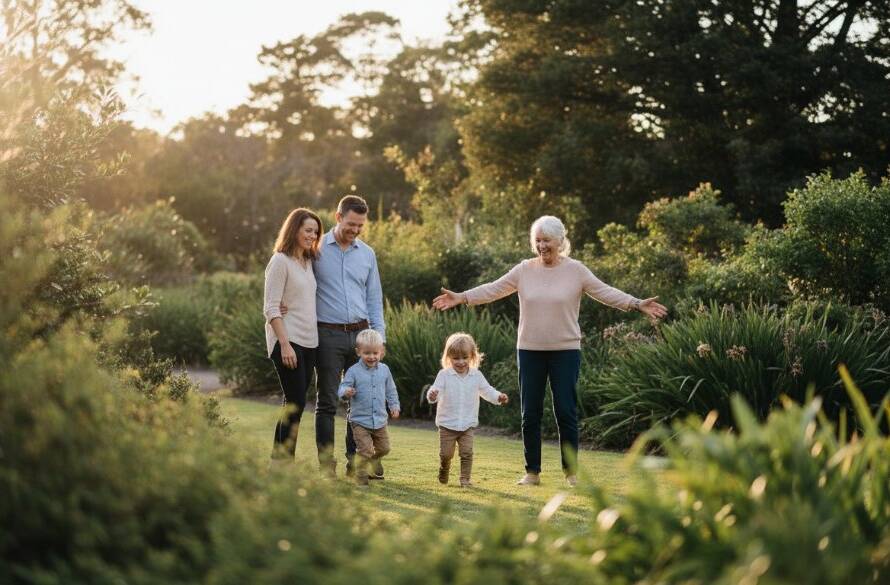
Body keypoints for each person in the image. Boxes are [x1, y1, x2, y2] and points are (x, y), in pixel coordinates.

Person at [433, 215, 667, 487]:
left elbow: (605, 292)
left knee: (565, 412)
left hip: (565, 352)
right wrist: (462, 297)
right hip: (530, 351)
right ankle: (532, 472)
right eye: (538, 240)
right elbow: (493, 289)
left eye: (547, 240)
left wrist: (637, 303)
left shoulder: (576, 271)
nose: (542, 246)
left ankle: (572, 473)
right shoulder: (524, 270)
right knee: (529, 413)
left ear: (560, 241)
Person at [312, 195, 386, 477]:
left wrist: (379, 339)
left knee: (361, 403)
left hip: (361, 335)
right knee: (328, 401)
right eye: (351, 224)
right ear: (338, 216)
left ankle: (356, 463)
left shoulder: (367, 254)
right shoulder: (316, 250)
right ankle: (325, 466)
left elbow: (374, 298)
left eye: (360, 226)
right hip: (327, 334)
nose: (355, 230)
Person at [263, 208, 322, 465]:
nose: (312, 235)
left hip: (310, 342)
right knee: (295, 402)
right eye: (308, 230)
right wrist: (284, 344)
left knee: (294, 403)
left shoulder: (308, 262)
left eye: (316, 232)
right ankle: (282, 462)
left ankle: (279, 461)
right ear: (294, 229)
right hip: (288, 342)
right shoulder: (280, 261)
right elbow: (271, 307)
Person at [426, 332, 508, 488]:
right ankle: (444, 468)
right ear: (448, 357)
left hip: (467, 425)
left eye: (465, 357)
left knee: (467, 453)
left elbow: (487, 390)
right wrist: (432, 394)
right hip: (447, 425)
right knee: (446, 454)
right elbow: (435, 392)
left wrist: (498, 397)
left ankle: (465, 480)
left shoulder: (476, 375)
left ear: (472, 356)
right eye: (456, 358)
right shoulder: (444, 375)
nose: (461, 362)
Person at [338, 329, 400, 487]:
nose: (371, 357)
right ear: (358, 352)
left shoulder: (385, 370)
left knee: (384, 448)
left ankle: (374, 462)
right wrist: (346, 392)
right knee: (364, 450)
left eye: (375, 353)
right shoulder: (353, 371)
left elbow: (391, 390)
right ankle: (361, 476)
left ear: (381, 352)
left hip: (380, 419)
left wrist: (394, 406)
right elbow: (342, 387)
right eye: (367, 353)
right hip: (359, 421)